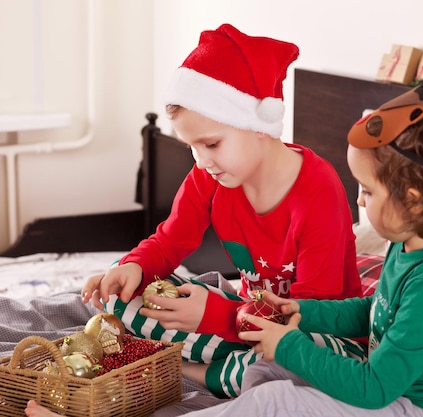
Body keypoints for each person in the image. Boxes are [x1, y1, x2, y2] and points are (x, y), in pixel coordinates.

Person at [23, 24, 365, 417]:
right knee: (126, 298)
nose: (201, 161)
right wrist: (135, 265)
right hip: (245, 319)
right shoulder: (210, 175)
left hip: (314, 336)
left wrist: (215, 315)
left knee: (283, 368)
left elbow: (304, 315)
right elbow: (169, 241)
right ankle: (221, 364)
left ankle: (194, 370)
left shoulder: (319, 192)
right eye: (191, 147)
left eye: (211, 144)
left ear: (260, 126)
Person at [168, 60, 423, 417]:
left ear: (413, 200)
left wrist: (289, 345)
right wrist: (302, 312)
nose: (358, 200)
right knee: (269, 372)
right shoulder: (411, 242)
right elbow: (375, 312)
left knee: (275, 399)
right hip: (393, 387)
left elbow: (373, 388)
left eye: (368, 191)